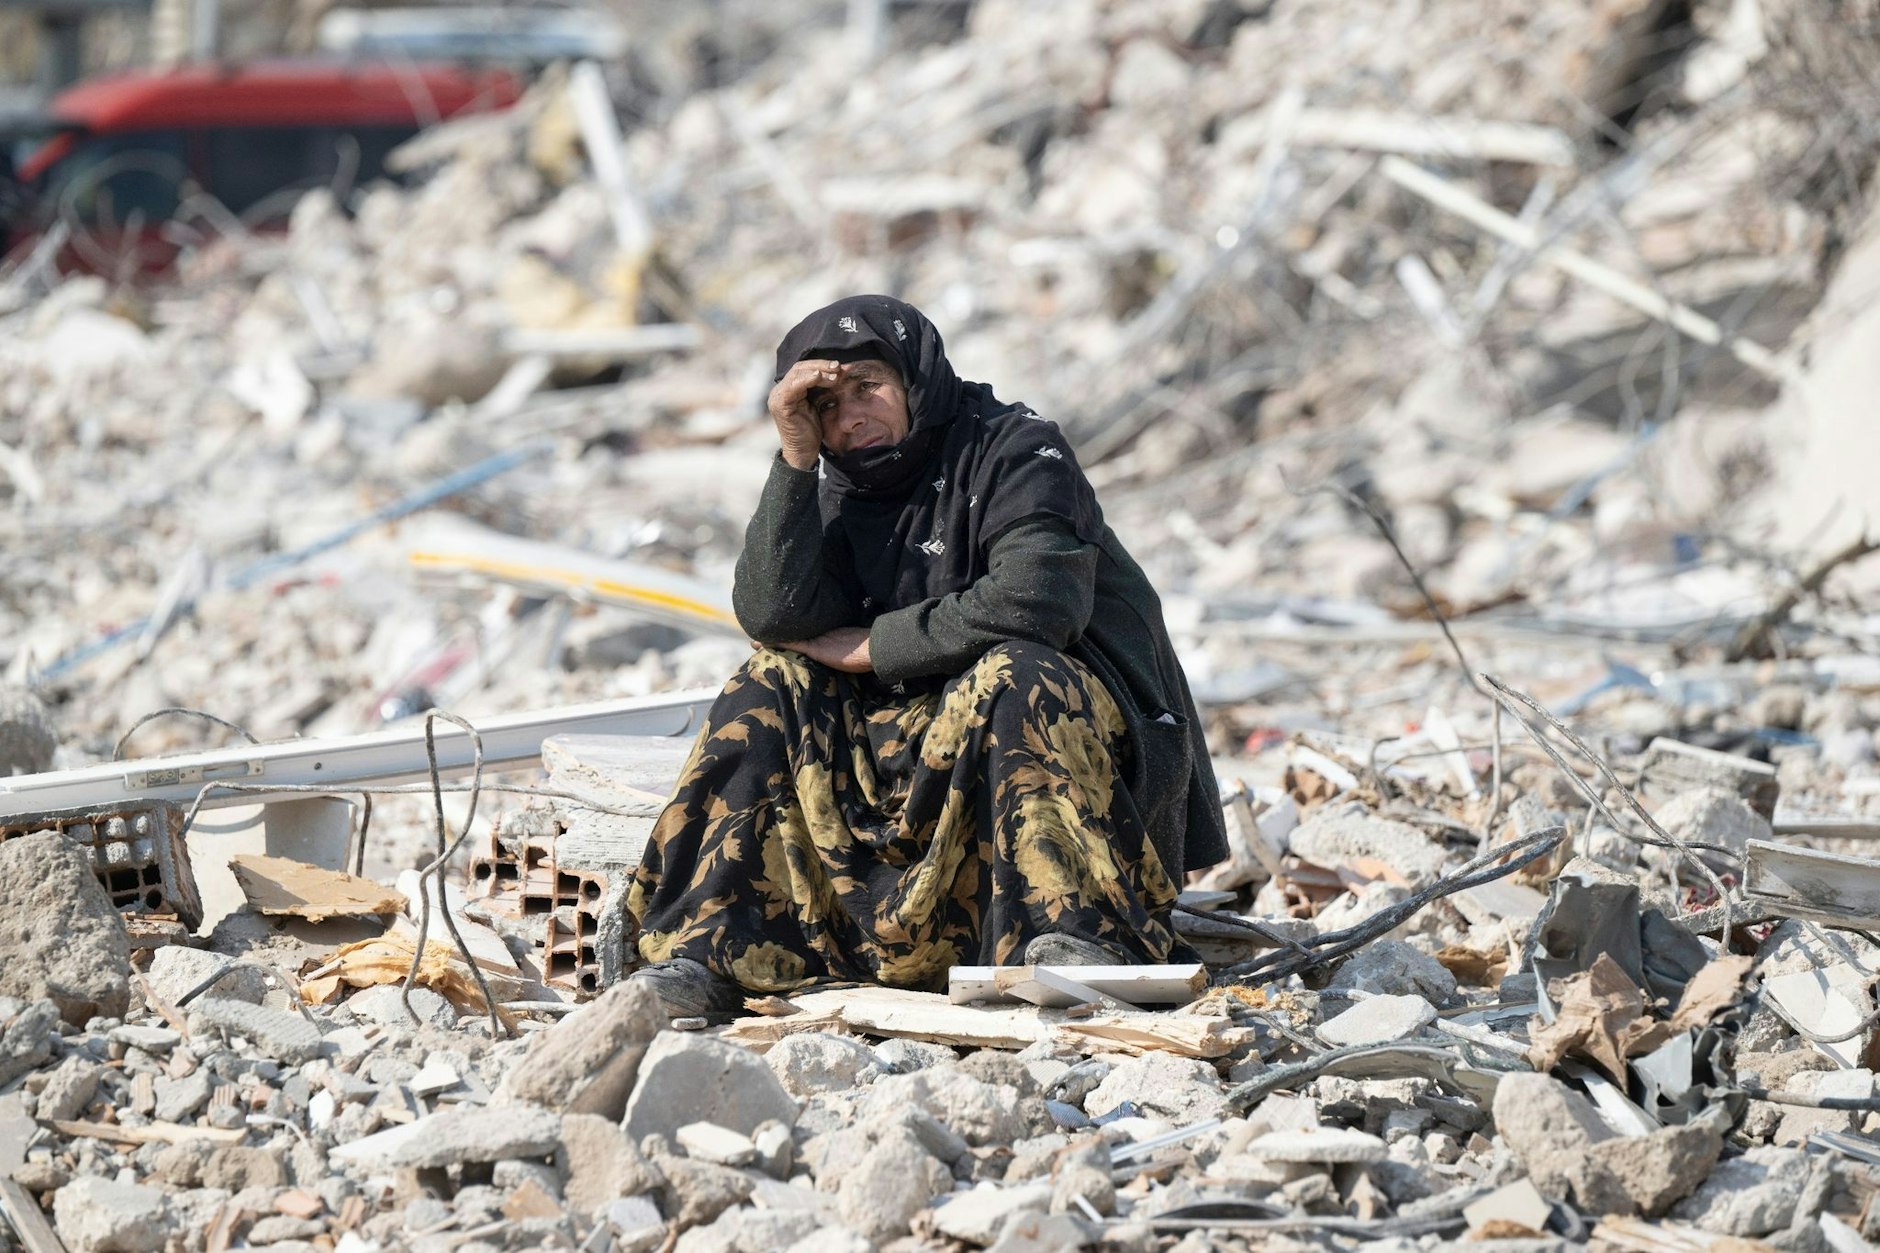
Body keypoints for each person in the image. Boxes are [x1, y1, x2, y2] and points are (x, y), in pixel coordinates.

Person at [625, 295, 1225, 1016]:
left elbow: (1038, 602)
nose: (851, 417)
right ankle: (708, 945)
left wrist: (878, 647)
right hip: (917, 754)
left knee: (1015, 672)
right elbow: (772, 615)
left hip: (1068, 752)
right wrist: (793, 459)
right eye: (826, 404)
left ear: (915, 378)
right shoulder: (838, 485)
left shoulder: (1016, 449)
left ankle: (1075, 936)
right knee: (769, 679)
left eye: (867, 389)